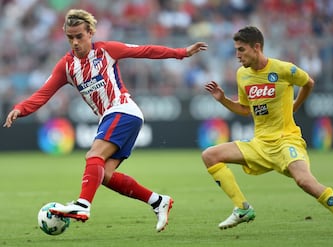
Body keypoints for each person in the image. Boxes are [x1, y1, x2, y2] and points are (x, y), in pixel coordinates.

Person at [3, 9, 207, 232]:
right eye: (70, 37)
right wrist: (20, 108)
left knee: (93, 155)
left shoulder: (106, 50)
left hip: (123, 110)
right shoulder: (67, 66)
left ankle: (83, 204)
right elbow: (44, 93)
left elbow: (145, 50)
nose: (75, 42)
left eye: (79, 36)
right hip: (112, 118)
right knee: (105, 175)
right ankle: (158, 201)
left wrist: (180, 52)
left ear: (90, 33)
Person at [202, 26, 333, 236]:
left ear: (256, 47)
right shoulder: (243, 75)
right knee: (210, 155)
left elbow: (308, 83)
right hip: (260, 144)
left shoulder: (284, 69)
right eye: (236, 50)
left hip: (287, 141)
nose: (237, 55)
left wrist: (295, 104)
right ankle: (242, 208)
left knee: (305, 181)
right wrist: (223, 100)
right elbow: (245, 110)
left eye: (241, 50)